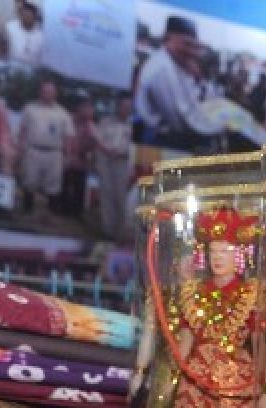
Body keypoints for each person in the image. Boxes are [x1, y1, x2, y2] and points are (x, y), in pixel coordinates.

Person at [133, 15, 223, 150]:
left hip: (176, 139)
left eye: (194, 46)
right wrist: (219, 124)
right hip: (165, 142)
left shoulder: (179, 64)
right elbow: (181, 122)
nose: (191, 51)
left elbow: (196, 99)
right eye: (186, 44)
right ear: (167, 39)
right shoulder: (162, 69)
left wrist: (198, 78)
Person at [17, 78, 72, 214]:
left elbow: (69, 136)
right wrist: (20, 149)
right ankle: (27, 210)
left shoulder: (63, 113)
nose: (48, 94)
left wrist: (68, 155)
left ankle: (51, 214)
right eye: (45, 91)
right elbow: (22, 130)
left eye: (51, 91)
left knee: (53, 184)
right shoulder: (29, 108)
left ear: (55, 94)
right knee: (29, 181)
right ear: (40, 92)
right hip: (33, 150)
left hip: (54, 153)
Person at [94, 94, 134, 240]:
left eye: (128, 107)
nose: (125, 109)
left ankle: (121, 231)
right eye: (123, 106)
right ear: (118, 107)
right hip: (106, 162)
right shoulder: (105, 122)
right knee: (106, 195)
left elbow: (135, 148)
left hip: (123, 164)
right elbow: (98, 139)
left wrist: (122, 153)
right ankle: (107, 230)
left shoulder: (133, 127)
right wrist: (107, 150)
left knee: (121, 197)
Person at [57, 94, 97, 217]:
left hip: (81, 161)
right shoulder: (67, 120)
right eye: (85, 108)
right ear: (79, 108)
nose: (88, 111)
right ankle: (60, 210)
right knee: (63, 185)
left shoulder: (91, 126)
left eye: (90, 108)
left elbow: (92, 145)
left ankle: (76, 213)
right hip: (65, 158)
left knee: (80, 187)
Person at [1, 1, 43, 66]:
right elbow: (2, 48)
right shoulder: (9, 27)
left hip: (31, 71)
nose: (27, 16)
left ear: (35, 16)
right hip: (11, 67)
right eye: (24, 13)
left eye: (30, 13)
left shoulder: (41, 36)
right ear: (21, 14)